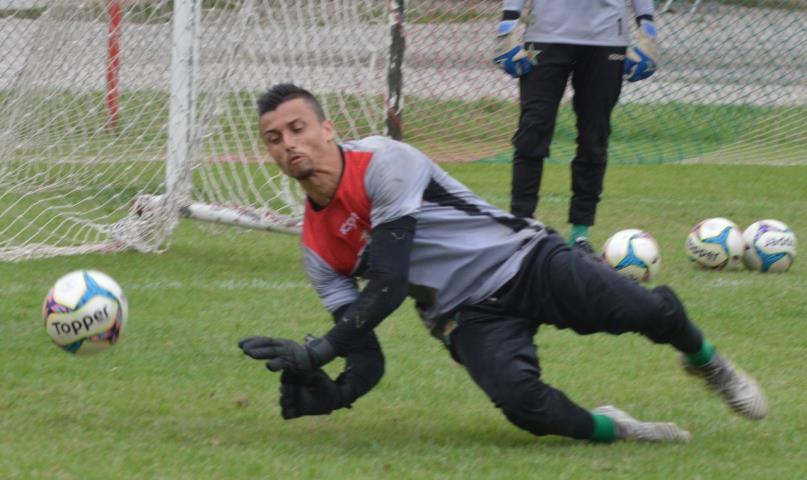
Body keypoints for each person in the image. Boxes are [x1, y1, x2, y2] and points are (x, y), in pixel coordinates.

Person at [238, 83, 766, 443]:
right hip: (465, 314)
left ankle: (708, 362)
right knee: (525, 408)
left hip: (524, 258)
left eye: (298, 127)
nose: (289, 144)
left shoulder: (384, 162)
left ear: (327, 128)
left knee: (645, 311)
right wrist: (340, 389)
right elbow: (367, 356)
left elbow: (391, 281)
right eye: (275, 138)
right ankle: (623, 429)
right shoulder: (317, 249)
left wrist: (317, 351)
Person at [493, 0, 660, 250]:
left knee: (594, 137)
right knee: (532, 129)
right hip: (545, 37)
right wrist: (507, 26)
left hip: (607, 41)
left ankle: (580, 234)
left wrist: (647, 28)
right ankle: (522, 226)